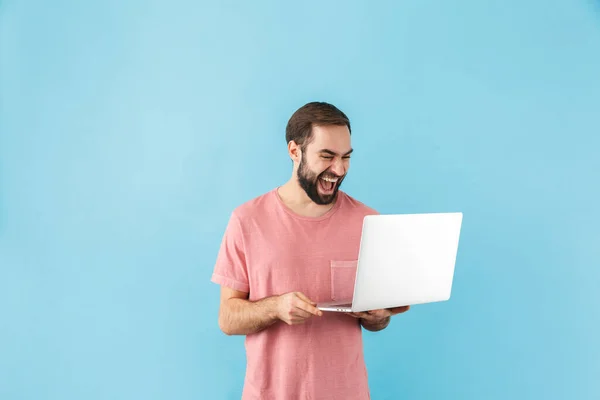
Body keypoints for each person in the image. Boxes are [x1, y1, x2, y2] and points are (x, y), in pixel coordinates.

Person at [211, 101, 410, 399]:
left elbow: (377, 322)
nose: (339, 169)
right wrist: (275, 307)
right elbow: (228, 318)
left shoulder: (369, 222)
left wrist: (378, 317)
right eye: (327, 156)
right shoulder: (247, 220)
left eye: (346, 157)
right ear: (295, 151)